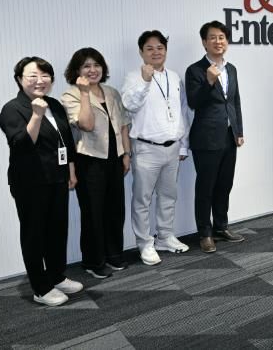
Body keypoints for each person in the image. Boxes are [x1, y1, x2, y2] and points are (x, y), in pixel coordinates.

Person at [0, 57, 83, 306]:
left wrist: (71, 170)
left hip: (57, 178)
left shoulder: (54, 104)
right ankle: (41, 287)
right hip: (30, 182)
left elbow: (66, 141)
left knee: (57, 230)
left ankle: (57, 276)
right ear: (19, 79)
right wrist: (36, 116)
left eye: (45, 75)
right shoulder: (12, 109)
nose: (40, 80)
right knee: (34, 234)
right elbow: (22, 145)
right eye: (32, 76)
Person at [61, 48, 131, 278]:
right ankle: (93, 261)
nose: (93, 70)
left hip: (115, 159)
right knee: (93, 213)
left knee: (115, 210)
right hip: (89, 161)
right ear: (77, 70)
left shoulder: (111, 92)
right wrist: (84, 94)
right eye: (86, 66)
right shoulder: (70, 95)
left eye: (96, 65)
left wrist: (127, 154)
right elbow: (86, 125)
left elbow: (123, 125)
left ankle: (114, 254)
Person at [121, 30, 190, 265]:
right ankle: (145, 243)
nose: (155, 52)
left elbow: (182, 111)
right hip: (146, 149)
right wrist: (145, 80)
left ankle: (165, 237)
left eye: (160, 47)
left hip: (172, 148)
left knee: (168, 195)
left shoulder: (174, 77)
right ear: (141, 52)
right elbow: (129, 105)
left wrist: (183, 145)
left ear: (166, 51)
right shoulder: (133, 77)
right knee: (142, 200)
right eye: (149, 48)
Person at [185, 21, 245, 253]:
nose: (218, 41)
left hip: (229, 137)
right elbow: (194, 102)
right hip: (206, 138)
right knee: (205, 188)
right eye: (212, 37)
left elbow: (235, 102)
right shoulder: (195, 70)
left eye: (222, 37)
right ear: (204, 42)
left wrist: (239, 131)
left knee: (224, 185)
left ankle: (221, 227)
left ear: (226, 41)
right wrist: (209, 81)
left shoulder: (232, 69)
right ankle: (205, 233)